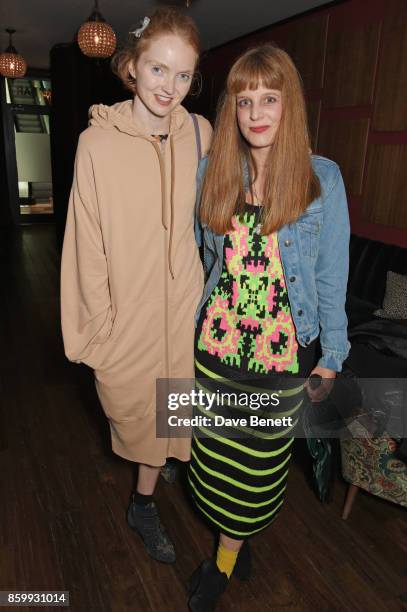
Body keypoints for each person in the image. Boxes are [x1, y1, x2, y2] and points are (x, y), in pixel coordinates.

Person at [187, 44, 350, 610]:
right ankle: (233, 543)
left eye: (270, 98)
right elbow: (209, 265)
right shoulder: (213, 172)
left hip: (280, 361)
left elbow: (331, 277)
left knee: (254, 471)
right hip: (216, 351)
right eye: (244, 100)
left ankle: (225, 556)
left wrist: (332, 353)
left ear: (290, 105)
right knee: (214, 462)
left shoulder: (319, 179)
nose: (256, 112)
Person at [60, 7, 212, 564]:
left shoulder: (201, 132)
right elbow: (86, 248)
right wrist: (99, 337)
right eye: (157, 70)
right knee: (139, 422)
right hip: (129, 321)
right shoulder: (95, 145)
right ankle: (141, 506)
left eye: (182, 76)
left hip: (186, 315)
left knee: (174, 420)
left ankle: (151, 488)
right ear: (132, 66)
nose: (168, 87)